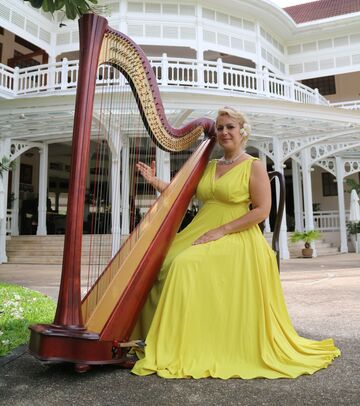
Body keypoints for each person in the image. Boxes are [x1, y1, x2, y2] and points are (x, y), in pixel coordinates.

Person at [131, 107, 340, 379]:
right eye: (219, 128)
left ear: (242, 131)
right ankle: (154, 337)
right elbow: (181, 194)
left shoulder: (253, 165)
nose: (224, 132)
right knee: (160, 262)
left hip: (237, 234)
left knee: (184, 265)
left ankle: (183, 344)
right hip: (202, 230)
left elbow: (262, 211)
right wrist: (155, 181)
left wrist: (223, 231)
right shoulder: (210, 166)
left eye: (230, 126)